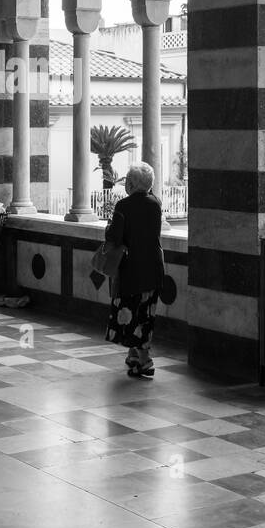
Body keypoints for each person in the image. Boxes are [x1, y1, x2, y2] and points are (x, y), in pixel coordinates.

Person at [104, 161, 164, 378]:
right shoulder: (155, 203)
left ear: (131, 183)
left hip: (131, 269)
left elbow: (114, 237)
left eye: (127, 180)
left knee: (129, 313)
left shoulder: (123, 206)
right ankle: (133, 356)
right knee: (145, 313)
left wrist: (109, 228)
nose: (125, 183)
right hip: (153, 268)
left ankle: (145, 361)